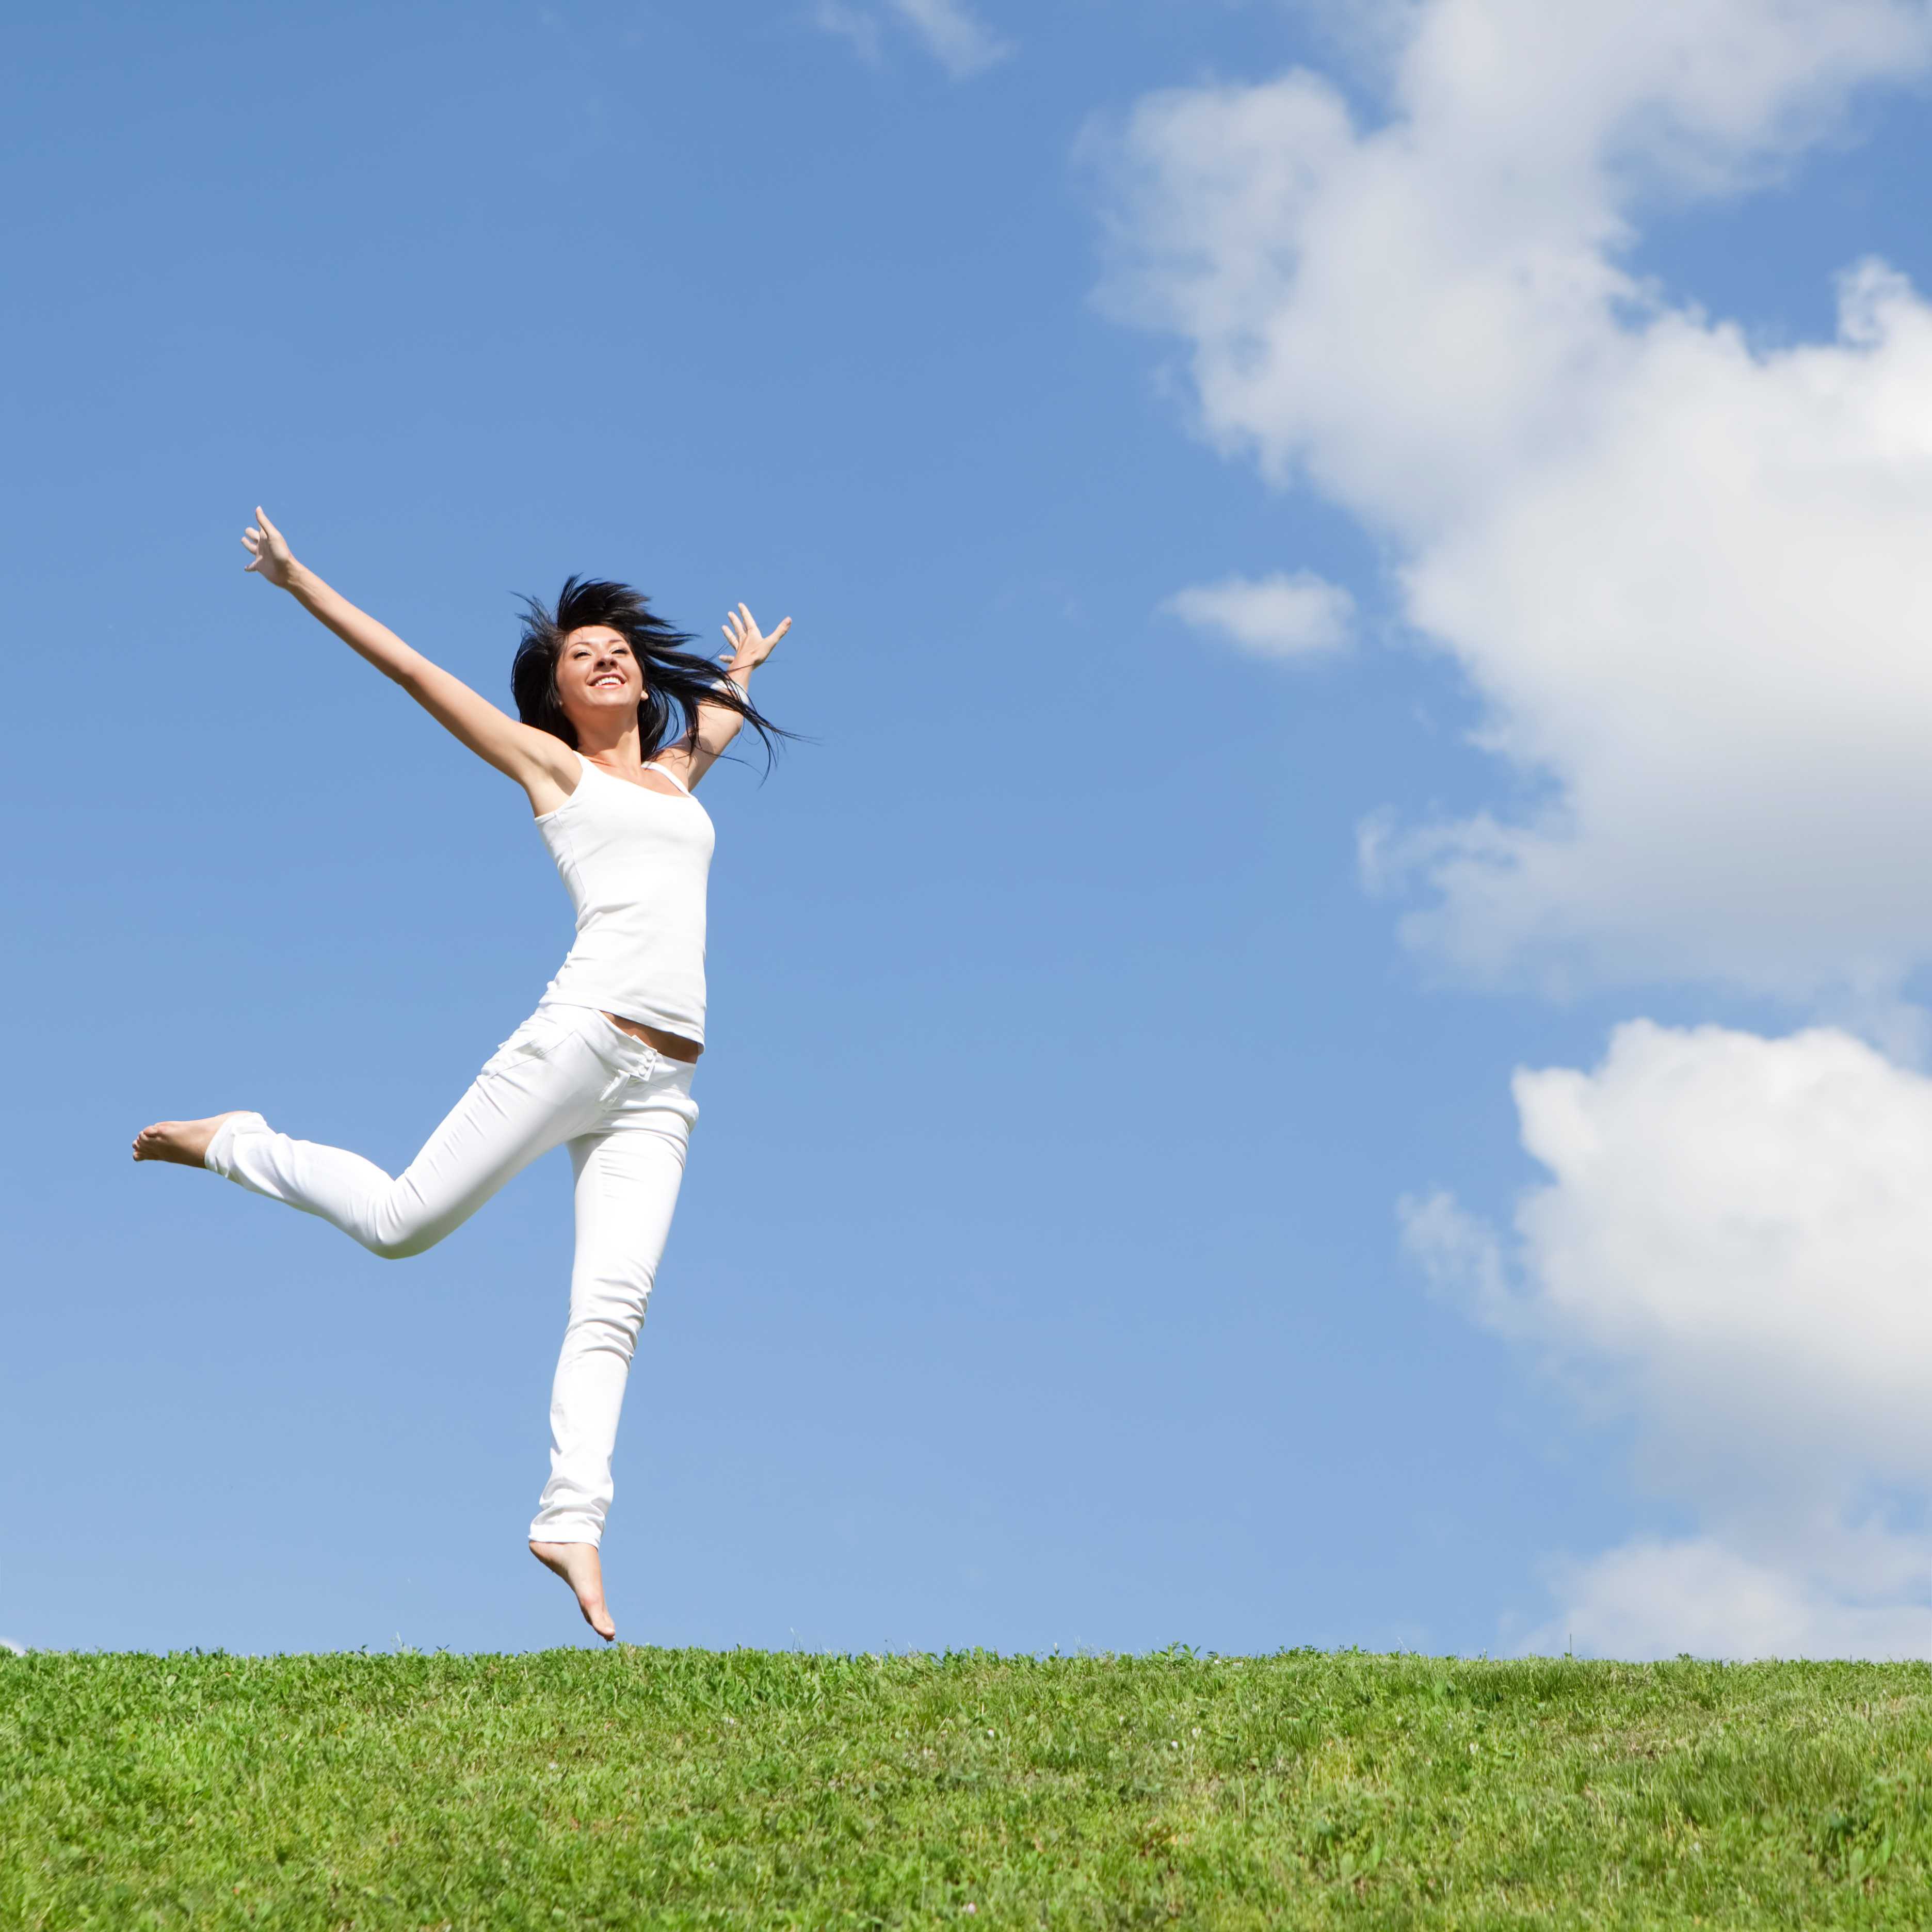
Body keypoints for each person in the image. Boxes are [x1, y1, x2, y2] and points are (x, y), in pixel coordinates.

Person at [134, 509, 795, 1641]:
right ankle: (240, 1139)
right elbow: (412, 672)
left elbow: (716, 725)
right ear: (559, 700)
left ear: (643, 686)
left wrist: (735, 674)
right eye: (582, 654)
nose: (607, 655)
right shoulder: (551, 770)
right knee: (400, 1223)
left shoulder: (682, 780)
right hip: (579, 1038)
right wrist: (300, 581)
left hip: (663, 1090)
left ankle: (571, 1522)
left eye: (618, 649)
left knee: (614, 1308)